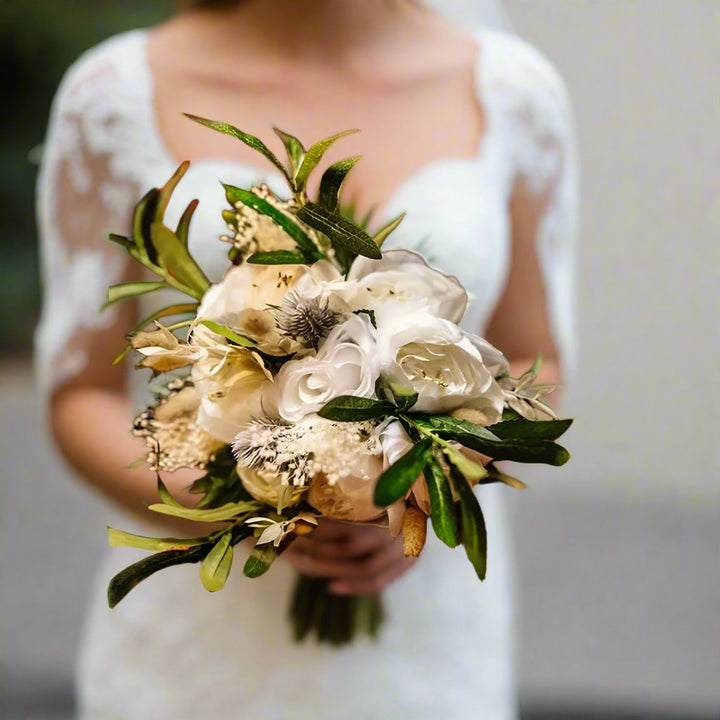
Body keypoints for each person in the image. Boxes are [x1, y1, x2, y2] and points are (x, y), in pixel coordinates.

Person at [35, 0, 578, 717]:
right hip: (198, 649)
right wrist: (242, 506)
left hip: (425, 641)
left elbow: (536, 362)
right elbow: (81, 391)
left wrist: (431, 489)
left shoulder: (512, 91)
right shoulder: (113, 92)